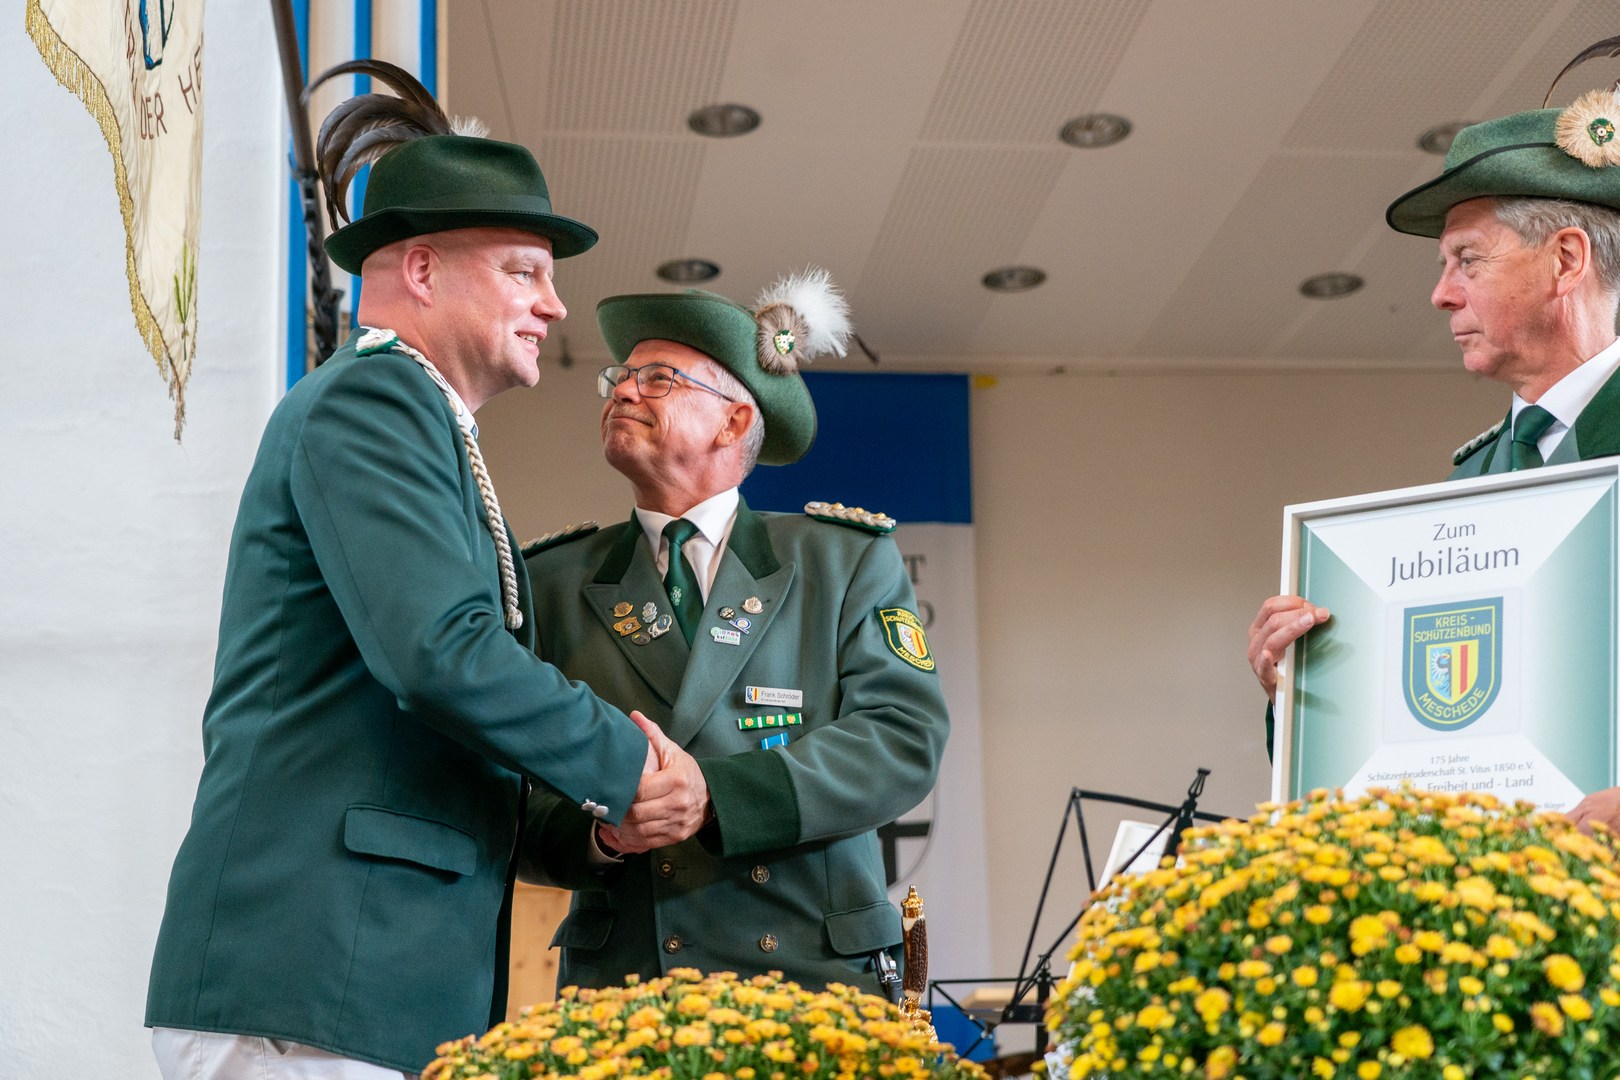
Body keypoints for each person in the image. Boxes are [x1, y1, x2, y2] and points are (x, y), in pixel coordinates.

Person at [144, 65, 699, 1078]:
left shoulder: (419, 424)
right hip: (317, 982)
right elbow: (442, 657)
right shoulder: (377, 404)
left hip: (364, 990)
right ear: (422, 269)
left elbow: (445, 741)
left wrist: (605, 831)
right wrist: (630, 766)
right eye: (526, 271)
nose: (556, 305)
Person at [518, 270, 950, 996]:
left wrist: (714, 794)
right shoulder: (553, 582)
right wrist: (601, 832)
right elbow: (506, 793)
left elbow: (902, 739)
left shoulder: (842, 560)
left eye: (659, 378)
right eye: (620, 377)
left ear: (735, 422)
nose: (623, 390)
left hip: (811, 983)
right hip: (627, 990)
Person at [1247, 62, 1620, 830]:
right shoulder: (1475, 477)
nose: (1440, 293)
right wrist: (1303, 693)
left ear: (1567, 261)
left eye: (1468, 260)